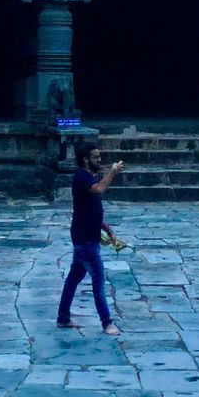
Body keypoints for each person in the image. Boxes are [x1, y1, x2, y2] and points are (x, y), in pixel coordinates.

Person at [57, 141, 124, 335]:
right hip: (85, 239)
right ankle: (107, 322)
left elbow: (89, 208)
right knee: (98, 280)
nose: (99, 159)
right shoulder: (81, 177)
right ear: (85, 159)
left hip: (86, 235)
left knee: (73, 278)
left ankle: (63, 318)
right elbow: (99, 189)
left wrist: (106, 228)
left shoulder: (88, 177)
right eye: (95, 157)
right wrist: (112, 172)